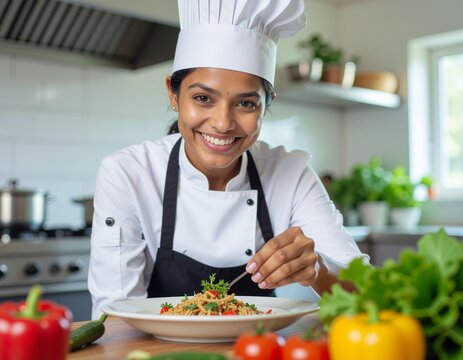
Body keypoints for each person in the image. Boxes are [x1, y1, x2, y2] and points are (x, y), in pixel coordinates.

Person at [88, 0, 369, 319]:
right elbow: (113, 317)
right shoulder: (127, 173)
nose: (222, 123)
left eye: (246, 104)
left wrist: (319, 269)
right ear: (173, 94)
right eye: (203, 98)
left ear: (267, 105)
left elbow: (369, 294)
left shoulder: (290, 174)